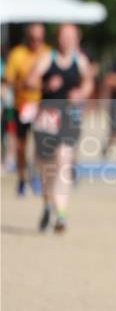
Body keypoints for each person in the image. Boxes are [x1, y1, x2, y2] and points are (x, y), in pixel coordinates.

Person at [26, 23, 94, 233]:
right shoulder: (48, 58)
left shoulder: (80, 60)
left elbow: (89, 82)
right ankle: (48, 204)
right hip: (47, 117)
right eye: (64, 36)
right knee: (48, 169)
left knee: (64, 161)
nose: (67, 40)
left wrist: (81, 93)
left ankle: (61, 214)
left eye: (71, 36)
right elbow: (30, 80)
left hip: (69, 117)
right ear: (58, 38)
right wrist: (46, 85)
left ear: (77, 39)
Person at [4, 23, 50, 196]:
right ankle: (22, 177)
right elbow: (8, 80)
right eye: (33, 38)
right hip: (21, 106)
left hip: (42, 107)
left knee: (42, 145)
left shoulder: (48, 53)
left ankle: (36, 177)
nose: (36, 42)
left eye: (40, 38)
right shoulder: (17, 54)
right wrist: (24, 84)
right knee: (22, 146)